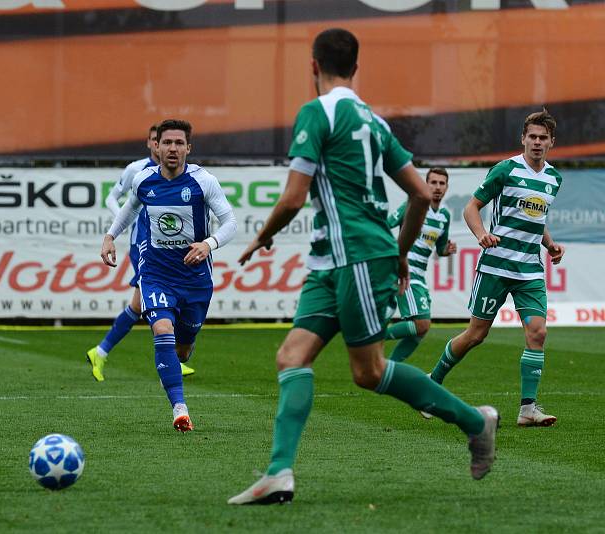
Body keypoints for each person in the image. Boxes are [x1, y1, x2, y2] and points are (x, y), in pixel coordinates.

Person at [228, 28, 499, 505]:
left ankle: (476, 422)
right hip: (331, 260)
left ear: (313, 66)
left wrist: (263, 236)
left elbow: (293, 196)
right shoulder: (375, 122)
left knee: (369, 371)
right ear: (357, 67)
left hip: (356, 254)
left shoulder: (316, 113)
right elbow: (418, 192)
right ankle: (278, 473)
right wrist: (400, 252)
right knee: (292, 356)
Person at [427, 109, 564, 427]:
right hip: (496, 267)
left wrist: (550, 244)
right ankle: (432, 384)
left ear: (551, 142)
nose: (537, 142)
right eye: (532, 136)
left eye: (543, 138)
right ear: (523, 138)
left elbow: (535, 220)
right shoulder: (506, 169)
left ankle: (528, 408)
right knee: (476, 334)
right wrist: (481, 234)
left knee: (538, 332)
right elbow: (471, 207)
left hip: (529, 271)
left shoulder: (553, 179)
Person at [100, 119, 237, 432]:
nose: (173, 148)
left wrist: (208, 243)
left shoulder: (203, 181)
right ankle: (180, 408)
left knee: (182, 350)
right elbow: (130, 209)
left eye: (179, 143)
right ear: (156, 146)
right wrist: (110, 236)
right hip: (156, 274)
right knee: (162, 328)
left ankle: (182, 353)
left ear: (188, 148)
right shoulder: (144, 180)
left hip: (195, 279)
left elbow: (230, 222)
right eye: (167, 143)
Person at [85, 125, 196, 381]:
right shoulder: (137, 170)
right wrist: (126, 221)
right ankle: (171, 358)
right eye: (160, 141)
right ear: (151, 143)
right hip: (142, 247)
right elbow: (112, 198)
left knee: (138, 306)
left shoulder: (181, 173)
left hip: (165, 249)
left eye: (174, 142)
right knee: (156, 303)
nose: (167, 147)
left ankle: (101, 351)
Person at [385, 167, 456, 362]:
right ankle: (374, 338)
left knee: (420, 331)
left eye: (442, 183)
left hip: (419, 275)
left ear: (447, 187)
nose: (437, 187)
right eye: (433, 182)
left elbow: (440, 248)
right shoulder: (413, 205)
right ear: (426, 184)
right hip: (404, 273)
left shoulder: (444, 216)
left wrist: (446, 250)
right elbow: (385, 224)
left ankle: (390, 367)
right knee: (422, 324)